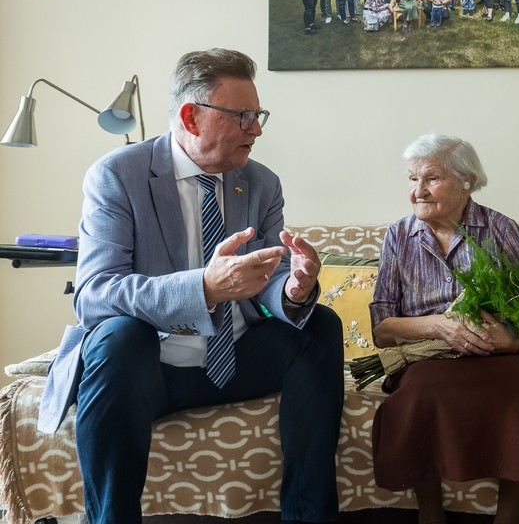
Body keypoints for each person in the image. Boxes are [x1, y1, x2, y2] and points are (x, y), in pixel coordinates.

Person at [36, 48, 345, 524]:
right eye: (243, 116)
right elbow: (95, 293)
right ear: (191, 117)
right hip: (149, 367)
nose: (256, 129)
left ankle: (309, 516)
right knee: (119, 335)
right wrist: (203, 287)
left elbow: (265, 283)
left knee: (319, 325)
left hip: (235, 360)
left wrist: (293, 289)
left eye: (258, 115)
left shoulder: (261, 184)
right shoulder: (117, 176)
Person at [370, 133, 519, 524]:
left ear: (466, 182)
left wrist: (510, 341)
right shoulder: (398, 236)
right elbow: (382, 328)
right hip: (429, 353)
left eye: (430, 178)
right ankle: (431, 514)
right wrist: (440, 326)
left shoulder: (500, 229)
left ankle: (508, 517)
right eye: (412, 179)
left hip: (497, 352)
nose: (418, 191)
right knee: (420, 393)